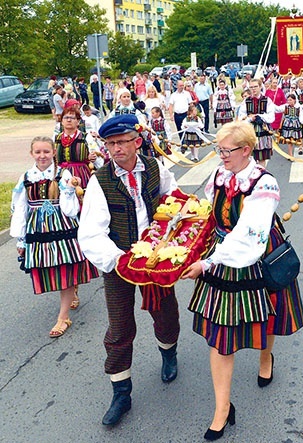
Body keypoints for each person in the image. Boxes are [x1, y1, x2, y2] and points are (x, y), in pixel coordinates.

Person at [181, 121, 303, 441]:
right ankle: (223, 408)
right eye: (218, 150)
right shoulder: (221, 175)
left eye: (226, 150)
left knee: (265, 318)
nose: (220, 156)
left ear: (246, 150)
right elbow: (211, 212)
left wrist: (207, 262)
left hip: (252, 253)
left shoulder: (264, 185)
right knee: (221, 338)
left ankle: (266, 356)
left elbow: (249, 237)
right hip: (222, 255)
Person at [77, 114, 181, 426]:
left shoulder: (153, 166)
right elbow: (90, 233)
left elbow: (171, 196)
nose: (116, 149)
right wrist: (119, 260)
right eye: (110, 143)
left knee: (165, 312)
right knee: (119, 327)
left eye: (122, 142)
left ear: (136, 141)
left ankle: (168, 354)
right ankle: (121, 392)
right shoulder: (100, 180)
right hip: (119, 262)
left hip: (156, 258)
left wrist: (170, 228)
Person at [11, 136, 98, 338]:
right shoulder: (25, 177)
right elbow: (20, 209)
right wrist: (20, 239)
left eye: (46, 152)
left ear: (53, 153)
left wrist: (68, 192)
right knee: (50, 270)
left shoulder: (63, 174)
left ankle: (63, 317)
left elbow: (70, 210)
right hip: (38, 231)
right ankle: (70, 295)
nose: (42, 156)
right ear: (32, 154)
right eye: (38, 152)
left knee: (64, 270)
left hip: (61, 226)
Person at [55, 108, 102, 189]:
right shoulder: (56, 138)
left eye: (72, 118)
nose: (69, 120)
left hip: (81, 174)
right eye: (66, 118)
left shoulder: (86, 138)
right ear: (62, 121)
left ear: (78, 121)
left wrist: (93, 158)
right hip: (61, 175)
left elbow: (99, 159)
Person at [237, 78, 276, 167]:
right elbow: (241, 117)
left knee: (262, 157)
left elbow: (271, 117)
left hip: (262, 130)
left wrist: (260, 116)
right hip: (249, 130)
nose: (253, 89)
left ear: (260, 87)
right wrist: (249, 119)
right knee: (249, 156)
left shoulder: (267, 100)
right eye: (251, 87)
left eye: (255, 87)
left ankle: (261, 175)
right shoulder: (246, 101)